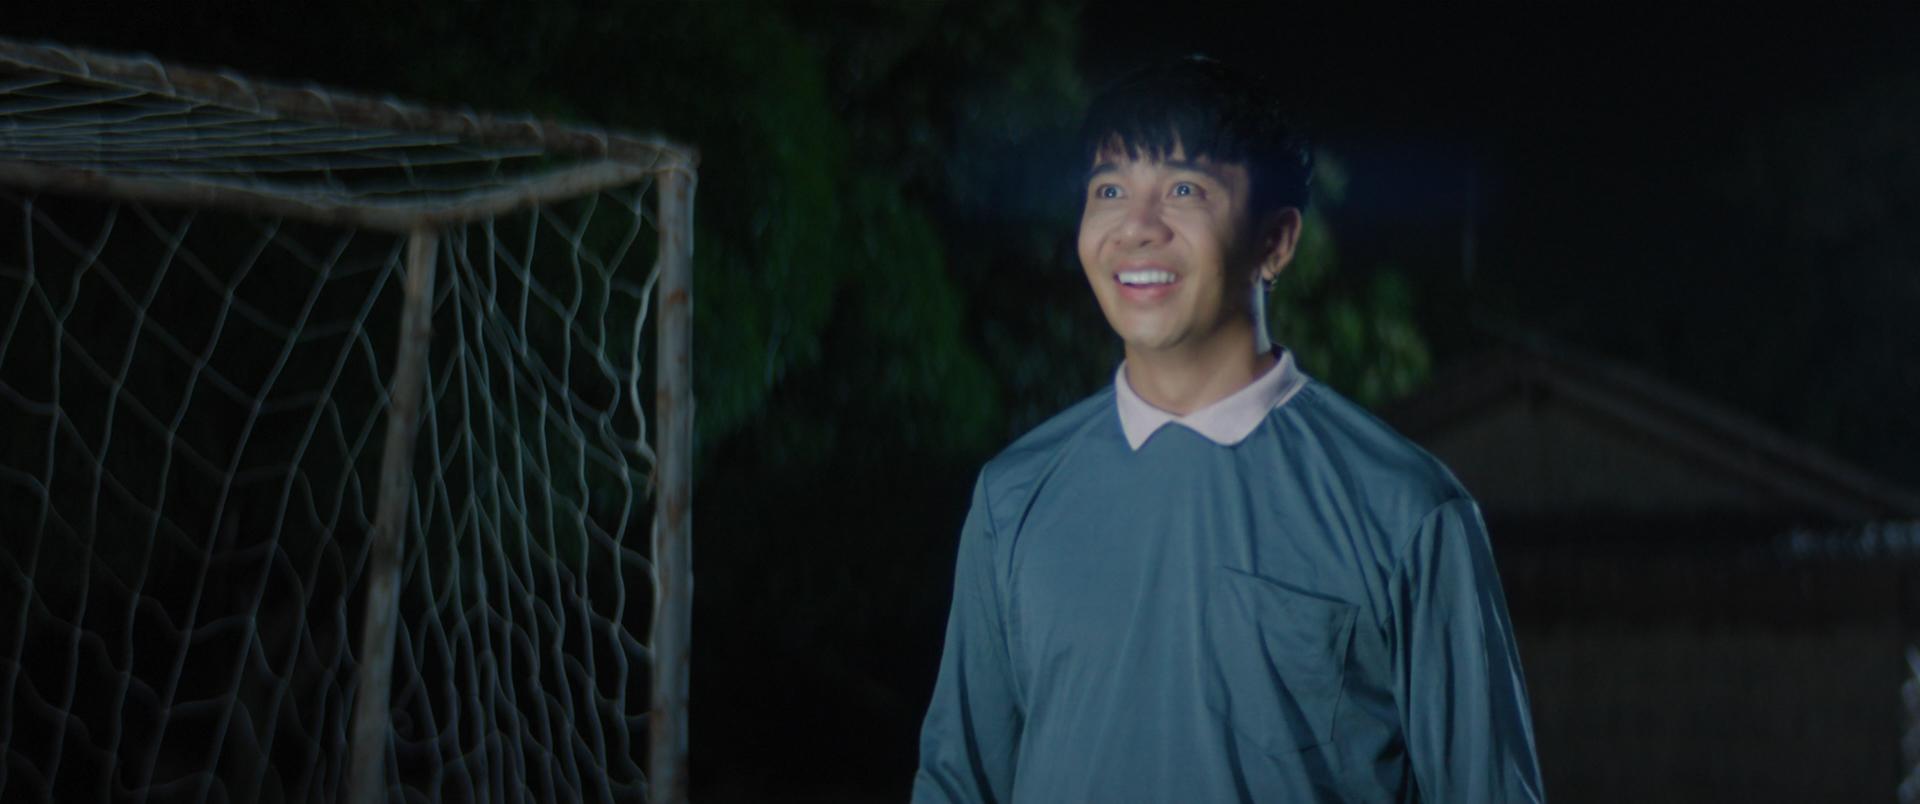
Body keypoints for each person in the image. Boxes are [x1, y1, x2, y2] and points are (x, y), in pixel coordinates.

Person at [911, 56, 1544, 803]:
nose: (1136, 228)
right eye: (1109, 190)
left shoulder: (1406, 510)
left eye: (1185, 190)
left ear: (1276, 242)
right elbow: (956, 784)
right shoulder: (1013, 497)